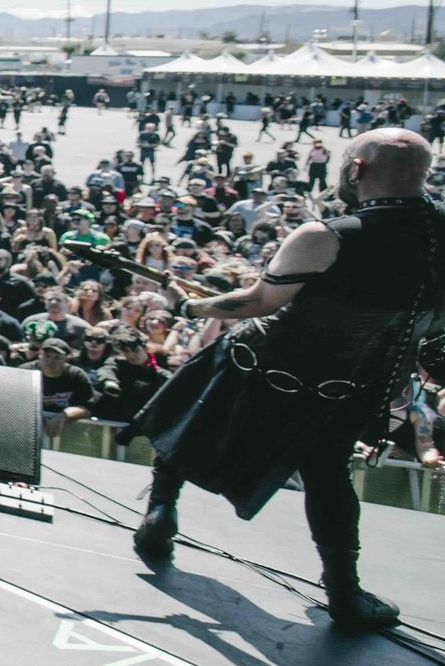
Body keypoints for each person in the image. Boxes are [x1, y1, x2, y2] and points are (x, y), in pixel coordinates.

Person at [129, 128, 445, 631]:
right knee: (329, 474)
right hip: (352, 385)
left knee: (190, 419)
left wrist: (194, 306)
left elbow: (258, 302)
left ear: (357, 169)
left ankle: (161, 511)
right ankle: (344, 591)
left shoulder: (326, 235)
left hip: (266, 365)